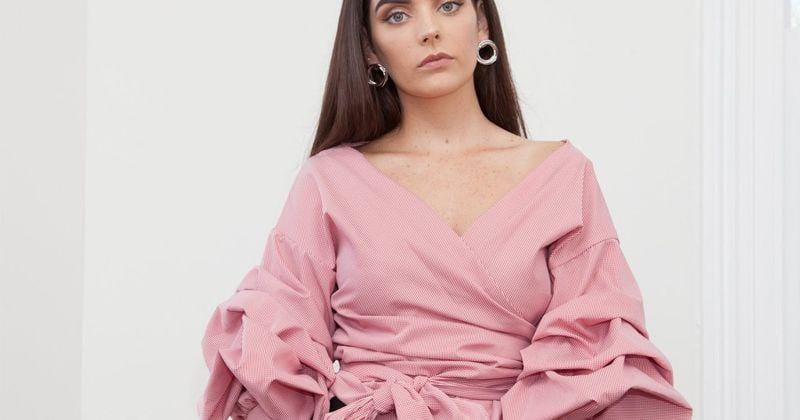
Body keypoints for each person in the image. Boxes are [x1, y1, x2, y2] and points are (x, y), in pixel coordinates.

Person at [196, 0, 694, 419]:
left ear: (482, 22)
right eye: (397, 15)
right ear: (369, 48)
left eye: (449, 5)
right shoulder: (328, 181)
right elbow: (272, 347)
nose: (429, 30)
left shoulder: (563, 176)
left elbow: (599, 353)